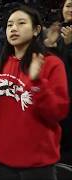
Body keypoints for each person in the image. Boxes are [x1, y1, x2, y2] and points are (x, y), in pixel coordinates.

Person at [0, 6, 69, 180]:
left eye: (21, 23)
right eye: (9, 25)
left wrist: (38, 82)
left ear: (36, 30)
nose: (13, 28)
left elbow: (57, 113)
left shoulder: (51, 64)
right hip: (0, 161)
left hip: (37, 164)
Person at [44, 0, 72, 165]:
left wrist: (69, 46)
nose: (70, 9)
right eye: (68, 5)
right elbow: (57, 66)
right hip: (59, 99)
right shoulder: (59, 32)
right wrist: (51, 47)